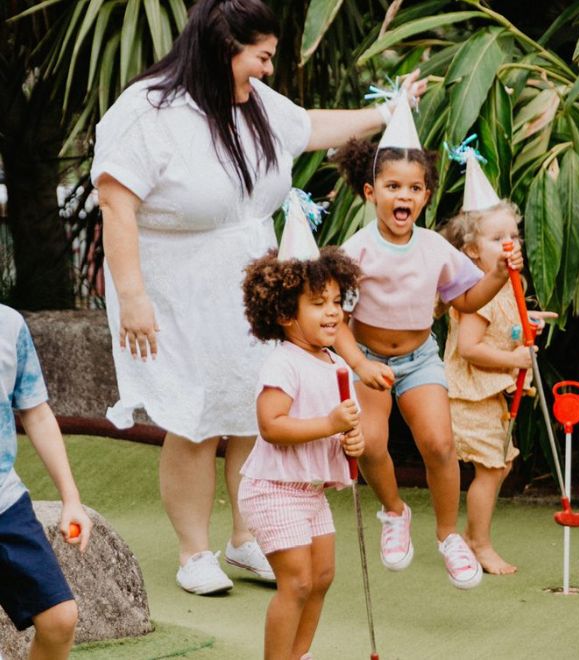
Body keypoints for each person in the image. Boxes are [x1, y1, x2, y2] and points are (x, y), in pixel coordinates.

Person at [91, 0, 425, 594]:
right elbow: (116, 203)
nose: (269, 70)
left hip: (254, 279)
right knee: (196, 417)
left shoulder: (256, 105)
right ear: (225, 49)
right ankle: (195, 553)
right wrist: (132, 296)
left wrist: (387, 113)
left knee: (254, 407)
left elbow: (310, 126)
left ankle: (248, 539)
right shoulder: (148, 110)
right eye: (262, 57)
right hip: (174, 288)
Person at [333, 104, 524, 589]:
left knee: (440, 444)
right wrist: (357, 361)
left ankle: (447, 536)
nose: (405, 195)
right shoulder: (356, 252)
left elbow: (465, 299)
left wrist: (498, 273)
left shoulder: (435, 248)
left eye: (414, 188)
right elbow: (335, 320)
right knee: (371, 444)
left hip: (419, 359)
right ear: (371, 192)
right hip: (368, 359)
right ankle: (394, 512)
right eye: (393, 186)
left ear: (425, 196)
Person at [238, 216, 364, 659]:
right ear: (285, 313)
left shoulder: (333, 362)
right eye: (318, 303)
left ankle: (298, 654)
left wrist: (351, 441)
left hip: (310, 492)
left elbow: (340, 425)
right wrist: (330, 425)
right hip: (273, 489)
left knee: (323, 576)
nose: (333, 311)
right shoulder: (283, 364)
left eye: (335, 300)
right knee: (297, 581)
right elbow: (272, 426)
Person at [440, 193, 554, 576]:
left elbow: (502, 324)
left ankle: (474, 535)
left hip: (489, 393)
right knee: (491, 469)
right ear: (471, 251)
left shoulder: (505, 285)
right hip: (471, 394)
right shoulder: (477, 289)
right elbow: (470, 347)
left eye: (515, 235)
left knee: (501, 466)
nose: (510, 243)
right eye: (497, 238)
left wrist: (527, 321)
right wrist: (513, 359)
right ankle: (479, 543)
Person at [0, 305, 93, 659]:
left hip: (5, 503)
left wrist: (71, 499)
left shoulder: (10, 325)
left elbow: (36, 412)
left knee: (60, 619)